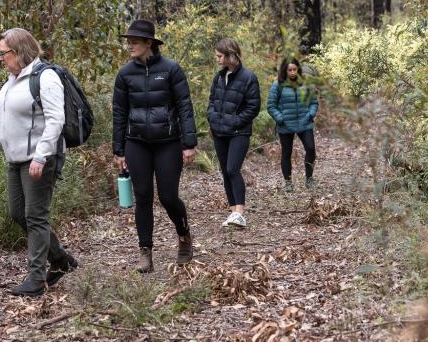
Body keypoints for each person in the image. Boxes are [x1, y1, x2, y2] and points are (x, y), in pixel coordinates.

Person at [0, 28, 78, 297]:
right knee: (18, 213)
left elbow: (56, 120)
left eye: (4, 54)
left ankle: (36, 279)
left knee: (36, 216)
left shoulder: (45, 77)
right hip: (15, 160)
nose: (1, 59)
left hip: (40, 160)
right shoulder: (11, 81)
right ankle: (62, 260)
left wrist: (41, 156)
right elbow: (5, 123)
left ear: (19, 52)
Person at [112, 19, 198, 273]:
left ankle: (184, 236)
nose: (130, 46)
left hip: (168, 143)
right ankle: (145, 253)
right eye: (128, 42)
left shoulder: (171, 69)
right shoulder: (125, 74)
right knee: (143, 198)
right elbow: (119, 112)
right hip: (136, 143)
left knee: (169, 196)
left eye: (134, 42)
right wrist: (118, 149)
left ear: (149, 43)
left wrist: (189, 143)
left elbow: (184, 106)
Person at [206, 38, 261, 229]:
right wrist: (213, 119)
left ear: (231, 55)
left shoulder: (248, 77)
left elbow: (253, 107)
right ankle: (232, 213)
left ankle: (240, 213)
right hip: (219, 132)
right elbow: (212, 101)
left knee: (232, 169)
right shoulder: (219, 77)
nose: (218, 60)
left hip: (239, 132)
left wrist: (235, 122)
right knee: (225, 172)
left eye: (220, 56)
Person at [266, 57, 318, 191]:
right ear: (285, 70)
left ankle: (309, 179)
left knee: (311, 149)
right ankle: (288, 183)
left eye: (295, 69)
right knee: (286, 153)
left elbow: (313, 102)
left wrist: (310, 114)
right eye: (290, 70)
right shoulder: (278, 84)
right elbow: (271, 105)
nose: (293, 72)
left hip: (304, 122)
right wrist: (280, 118)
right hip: (286, 125)